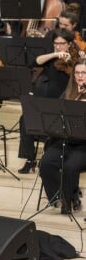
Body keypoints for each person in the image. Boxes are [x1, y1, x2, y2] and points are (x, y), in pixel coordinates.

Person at [18, 29, 75, 174]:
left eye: (62, 43)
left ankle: (50, 158)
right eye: (56, 43)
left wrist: (74, 60)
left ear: (69, 44)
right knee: (25, 119)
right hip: (43, 104)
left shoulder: (74, 60)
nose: (58, 46)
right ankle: (30, 159)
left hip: (61, 107)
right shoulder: (51, 58)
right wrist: (55, 54)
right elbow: (34, 62)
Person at [39, 60, 86, 215]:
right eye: (77, 73)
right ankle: (61, 196)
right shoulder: (67, 93)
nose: (80, 76)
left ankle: (70, 200)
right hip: (64, 141)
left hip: (83, 146)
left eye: (84, 73)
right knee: (46, 163)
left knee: (70, 167)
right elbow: (55, 115)